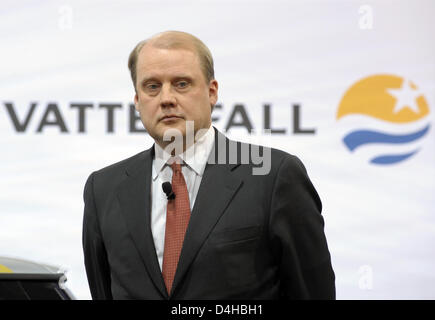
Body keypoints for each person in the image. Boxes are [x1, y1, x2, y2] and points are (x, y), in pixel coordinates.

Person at [82, 30, 335, 300]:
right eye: (152, 86)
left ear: (212, 92)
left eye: (181, 84)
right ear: (137, 101)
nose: (166, 98)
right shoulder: (103, 189)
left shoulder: (273, 176)